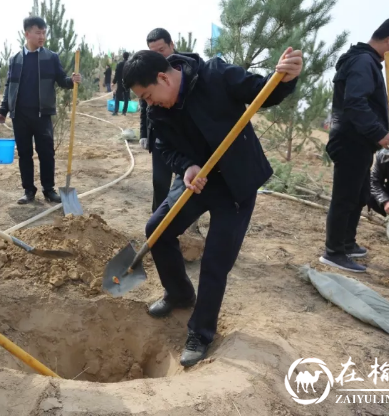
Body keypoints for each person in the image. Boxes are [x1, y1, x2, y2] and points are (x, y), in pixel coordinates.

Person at [122, 47, 302, 367]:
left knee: (216, 261)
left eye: (149, 95)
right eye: (144, 99)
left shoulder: (215, 75)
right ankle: (179, 294)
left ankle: (201, 332)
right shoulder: (157, 109)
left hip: (236, 182)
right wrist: (188, 166)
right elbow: (165, 147)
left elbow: (263, 92)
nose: (149, 104)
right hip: (197, 180)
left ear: (164, 77)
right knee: (157, 230)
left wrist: (286, 78)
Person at [322, 17, 389, 273]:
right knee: (344, 197)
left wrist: (380, 132)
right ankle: (334, 251)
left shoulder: (368, 62)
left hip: (360, 142)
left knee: (360, 195)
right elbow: (355, 103)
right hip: (351, 140)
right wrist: (379, 133)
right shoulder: (363, 62)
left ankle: (347, 243)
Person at [0, 15, 82, 204]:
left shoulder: (51, 57)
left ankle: (49, 189)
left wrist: (71, 81)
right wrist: (3, 110)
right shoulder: (16, 59)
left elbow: (61, 80)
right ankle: (28, 190)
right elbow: (10, 85)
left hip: (42, 114)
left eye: (44, 32)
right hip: (20, 115)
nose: (42, 36)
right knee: (25, 153)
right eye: (38, 32)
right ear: (27, 34)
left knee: (46, 153)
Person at [140, 28, 176, 212]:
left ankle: (190, 224)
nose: (158, 57)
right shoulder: (147, 71)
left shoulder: (184, 69)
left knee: (186, 184)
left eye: (161, 50)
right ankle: (158, 221)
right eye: (153, 53)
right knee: (160, 182)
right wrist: (144, 133)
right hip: (159, 137)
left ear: (172, 45)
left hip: (182, 139)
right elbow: (144, 105)